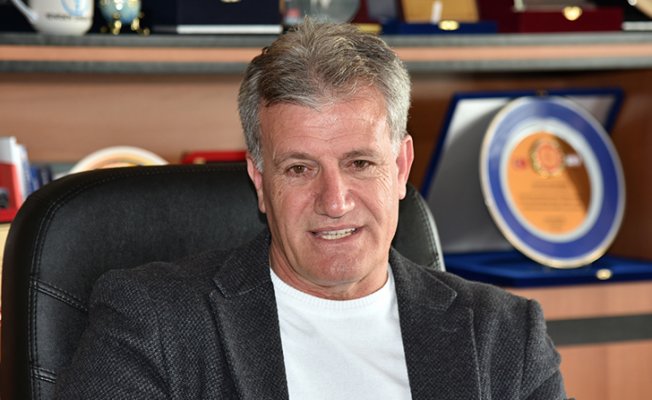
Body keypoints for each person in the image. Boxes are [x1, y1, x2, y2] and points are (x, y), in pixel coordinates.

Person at [56, 19, 567, 399]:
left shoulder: (505, 337)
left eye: (360, 163)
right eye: (300, 169)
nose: (335, 201)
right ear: (261, 181)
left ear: (400, 167)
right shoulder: (152, 323)